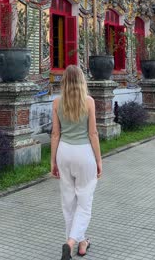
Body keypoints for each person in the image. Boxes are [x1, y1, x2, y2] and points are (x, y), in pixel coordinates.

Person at [51, 65, 102, 260]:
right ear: (82, 81)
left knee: (68, 201)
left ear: (64, 81)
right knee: (84, 201)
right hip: (84, 153)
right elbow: (93, 133)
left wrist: (52, 161)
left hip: (64, 151)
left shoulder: (57, 102)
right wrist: (99, 160)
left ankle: (81, 244)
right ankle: (71, 242)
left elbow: (55, 134)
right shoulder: (88, 101)